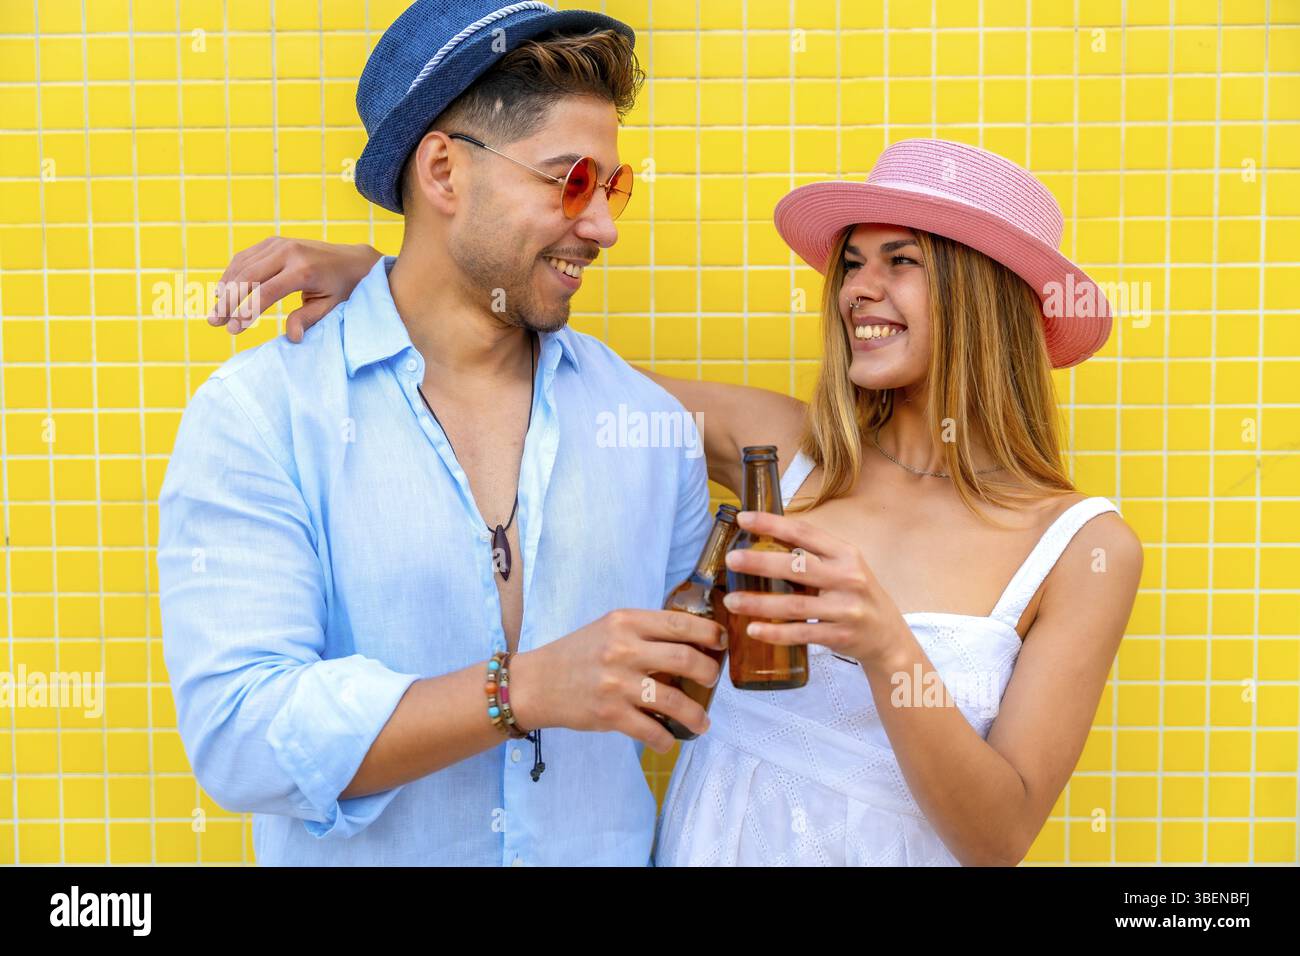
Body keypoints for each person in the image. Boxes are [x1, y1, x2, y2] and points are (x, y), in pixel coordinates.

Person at [213, 137, 1144, 867]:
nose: (859, 288)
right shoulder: (796, 454)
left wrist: (886, 645)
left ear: (984, 297)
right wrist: (395, 285)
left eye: (901, 262)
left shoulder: (1078, 548)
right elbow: (538, 369)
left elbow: (999, 838)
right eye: (852, 264)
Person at [158, 1, 728, 867]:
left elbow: (677, 686)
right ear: (443, 172)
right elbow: (241, 738)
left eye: (611, 188)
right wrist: (524, 689)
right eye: (569, 181)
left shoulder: (646, 425)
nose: (605, 227)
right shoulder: (263, 416)